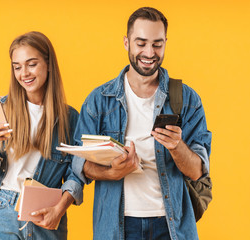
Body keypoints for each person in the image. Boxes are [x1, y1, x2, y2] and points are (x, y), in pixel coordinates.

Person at [72, 7, 212, 240]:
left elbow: (198, 172)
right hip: (117, 226)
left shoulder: (187, 100)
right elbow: (79, 165)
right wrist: (112, 173)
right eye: (141, 43)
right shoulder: (98, 100)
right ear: (127, 42)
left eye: (157, 44)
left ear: (166, 42)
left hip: (171, 226)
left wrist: (177, 146)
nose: (149, 52)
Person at [0, 31, 83, 240]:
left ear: (48, 64)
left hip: (45, 216)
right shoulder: (0, 109)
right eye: (17, 67)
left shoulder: (70, 118)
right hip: (1, 211)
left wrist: (60, 209)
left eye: (31, 64)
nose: (24, 74)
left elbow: (78, 173)